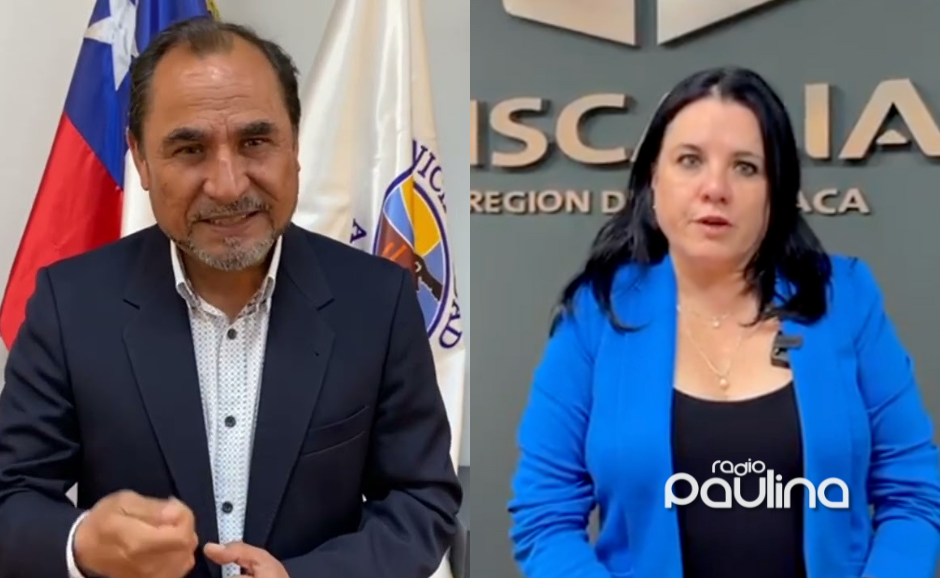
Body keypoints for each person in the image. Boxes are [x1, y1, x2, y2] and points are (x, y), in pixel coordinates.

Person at [0, 16, 461, 578]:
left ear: (295, 144)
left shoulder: (378, 299)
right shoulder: (70, 303)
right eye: (190, 149)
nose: (229, 185)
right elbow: (11, 495)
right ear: (140, 160)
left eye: (255, 142)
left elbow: (420, 499)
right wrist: (81, 544)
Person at [507, 66, 940, 578]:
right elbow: (545, 516)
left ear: (776, 191)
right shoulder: (598, 314)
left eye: (746, 167)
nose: (715, 188)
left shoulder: (844, 297)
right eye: (690, 160)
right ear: (653, 178)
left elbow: (913, 492)